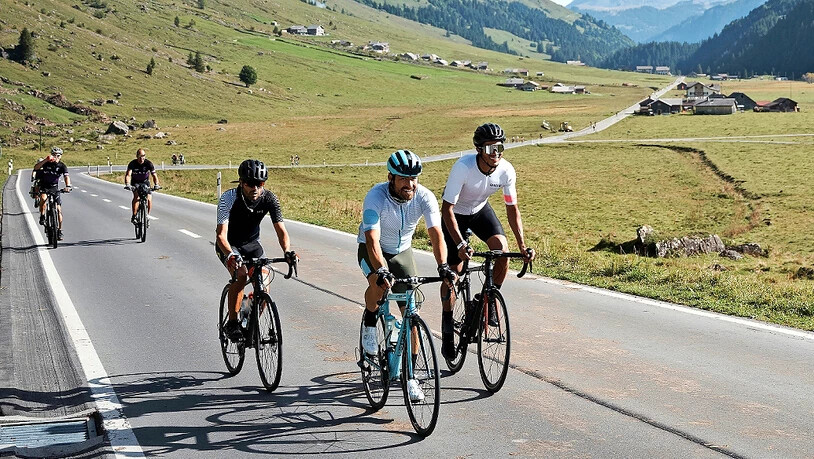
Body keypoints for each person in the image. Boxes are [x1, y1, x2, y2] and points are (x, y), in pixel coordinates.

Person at [358, 150, 456, 402]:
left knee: (411, 311)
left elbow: (436, 234)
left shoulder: (424, 196)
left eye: (414, 178)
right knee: (379, 286)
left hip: (402, 252)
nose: (409, 184)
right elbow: (372, 238)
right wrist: (380, 269)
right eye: (403, 178)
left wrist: (443, 265)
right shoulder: (376, 196)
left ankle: (410, 377)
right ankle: (370, 323)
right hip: (373, 249)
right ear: (390, 177)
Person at [438, 122, 535, 359]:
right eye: (491, 149)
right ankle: (448, 324)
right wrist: (460, 245)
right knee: (454, 271)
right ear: (479, 150)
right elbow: (447, 209)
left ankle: (489, 299)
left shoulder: (506, 170)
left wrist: (522, 245)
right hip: (456, 216)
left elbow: (512, 209)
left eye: (500, 148)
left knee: (502, 252)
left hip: (480, 211)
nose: (497, 154)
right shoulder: (463, 167)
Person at [215, 159, 297, 341]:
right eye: (250, 184)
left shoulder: (269, 198)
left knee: (264, 288)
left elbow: (281, 230)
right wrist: (230, 255)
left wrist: (287, 252)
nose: (255, 189)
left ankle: (247, 313)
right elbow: (221, 234)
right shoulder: (228, 199)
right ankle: (233, 323)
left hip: (252, 245)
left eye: (259, 184)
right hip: (229, 244)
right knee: (242, 275)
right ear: (241, 182)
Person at [33, 147, 72, 240]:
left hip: (54, 188)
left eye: (58, 155)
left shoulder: (62, 166)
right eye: (54, 155)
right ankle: (42, 216)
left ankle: (59, 230)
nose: (56, 157)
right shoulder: (46, 163)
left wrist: (68, 186)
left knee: (58, 209)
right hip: (44, 186)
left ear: (60, 156)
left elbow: (66, 176)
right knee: (43, 198)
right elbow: (36, 167)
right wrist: (45, 160)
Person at [124, 149, 161, 224]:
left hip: (145, 182)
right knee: (136, 197)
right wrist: (127, 184)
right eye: (140, 156)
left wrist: (156, 184)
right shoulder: (132, 164)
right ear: (137, 156)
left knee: (149, 199)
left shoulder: (148, 163)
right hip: (135, 183)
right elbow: (128, 175)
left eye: (143, 156)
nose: (142, 158)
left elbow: (154, 175)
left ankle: (147, 216)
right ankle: (134, 215)